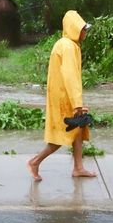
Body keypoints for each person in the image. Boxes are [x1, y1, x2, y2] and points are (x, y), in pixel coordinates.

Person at [27, 10, 97, 181]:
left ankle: (78, 167)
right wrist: (77, 104)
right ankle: (35, 161)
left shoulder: (65, 44)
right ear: (75, 28)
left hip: (62, 96)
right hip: (64, 99)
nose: (85, 32)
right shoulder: (68, 46)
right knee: (62, 135)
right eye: (83, 29)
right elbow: (70, 75)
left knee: (78, 130)